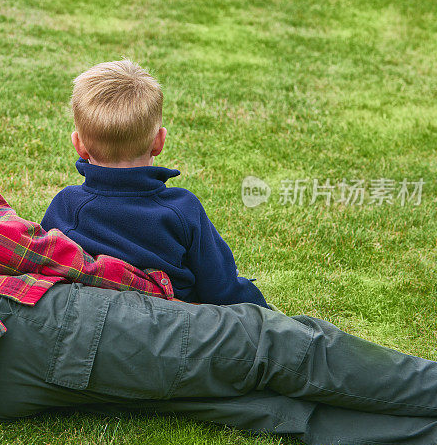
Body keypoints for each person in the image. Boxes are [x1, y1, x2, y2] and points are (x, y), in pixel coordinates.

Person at [0, 0, 437, 445]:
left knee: (241, 400)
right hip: (12, 329)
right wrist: (139, 283)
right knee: (273, 343)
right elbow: (4, 243)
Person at [41, 59, 268, 307]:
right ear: (159, 141)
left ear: (79, 145)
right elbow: (223, 289)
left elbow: (46, 270)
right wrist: (263, 313)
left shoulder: (66, 206)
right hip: (176, 330)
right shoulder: (182, 209)